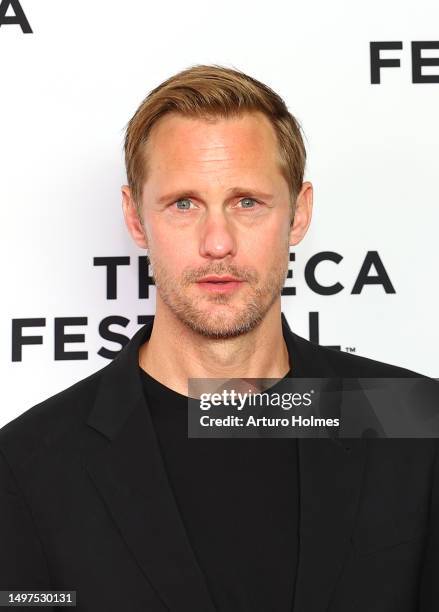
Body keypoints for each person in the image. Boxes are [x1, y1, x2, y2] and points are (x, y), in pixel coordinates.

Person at [0, 64, 437, 612]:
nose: (217, 243)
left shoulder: (416, 424)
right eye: (184, 203)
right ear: (136, 219)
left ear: (298, 213)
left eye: (246, 202)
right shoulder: (28, 465)